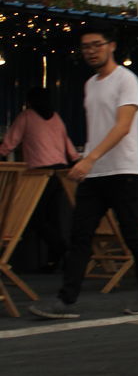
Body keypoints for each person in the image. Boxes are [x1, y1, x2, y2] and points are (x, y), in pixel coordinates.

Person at [30, 24, 138, 319]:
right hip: (95, 171)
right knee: (80, 235)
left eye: (96, 45)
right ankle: (66, 301)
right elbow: (98, 128)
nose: (91, 51)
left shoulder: (127, 80)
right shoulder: (90, 84)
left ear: (111, 45)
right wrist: (84, 157)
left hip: (123, 169)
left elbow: (122, 126)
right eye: (86, 47)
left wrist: (90, 158)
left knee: (131, 233)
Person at [0, 86, 79, 268]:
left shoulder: (26, 116)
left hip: (39, 173)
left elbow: (9, 143)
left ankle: (60, 249)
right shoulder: (57, 118)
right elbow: (69, 148)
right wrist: (76, 161)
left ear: (29, 101)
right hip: (60, 172)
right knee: (53, 218)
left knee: (36, 218)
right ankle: (54, 261)